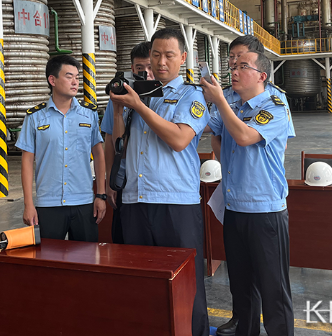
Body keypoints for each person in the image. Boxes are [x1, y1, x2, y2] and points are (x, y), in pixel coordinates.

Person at [109, 28, 210, 336]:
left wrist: (139, 107)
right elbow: (119, 143)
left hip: (175, 202)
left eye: (169, 55)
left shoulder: (192, 96)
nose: (161, 61)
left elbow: (179, 139)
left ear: (183, 58)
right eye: (156, 55)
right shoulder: (139, 93)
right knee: (141, 282)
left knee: (186, 284)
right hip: (135, 199)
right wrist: (118, 110)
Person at [201, 50, 294, 336]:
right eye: (234, 66)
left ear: (261, 75)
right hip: (234, 208)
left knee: (273, 288)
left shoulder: (275, 106)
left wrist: (219, 101)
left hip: (265, 211)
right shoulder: (235, 107)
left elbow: (244, 137)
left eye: (243, 66)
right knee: (241, 285)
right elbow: (205, 127)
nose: (235, 71)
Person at [16, 55, 106, 241]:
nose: (75, 82)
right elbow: (27, 161)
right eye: (69, 76)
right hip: (49, 204)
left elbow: (98, 154)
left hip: (84, 202)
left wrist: (101, 195)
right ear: (52, 80)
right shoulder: (35, 117)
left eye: (77, 77)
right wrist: (28, 204)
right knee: (48, 256)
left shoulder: (89, 114)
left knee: (86, 256)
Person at [102, 41, 154, 244]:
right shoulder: (118, 98)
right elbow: (110, 141)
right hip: (126, 182)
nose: (145, 73)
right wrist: (111, 180)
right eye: (140, 68)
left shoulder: (167, 97)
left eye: (150, 67)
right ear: (132, 69)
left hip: (156, 185)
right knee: (125, 243)